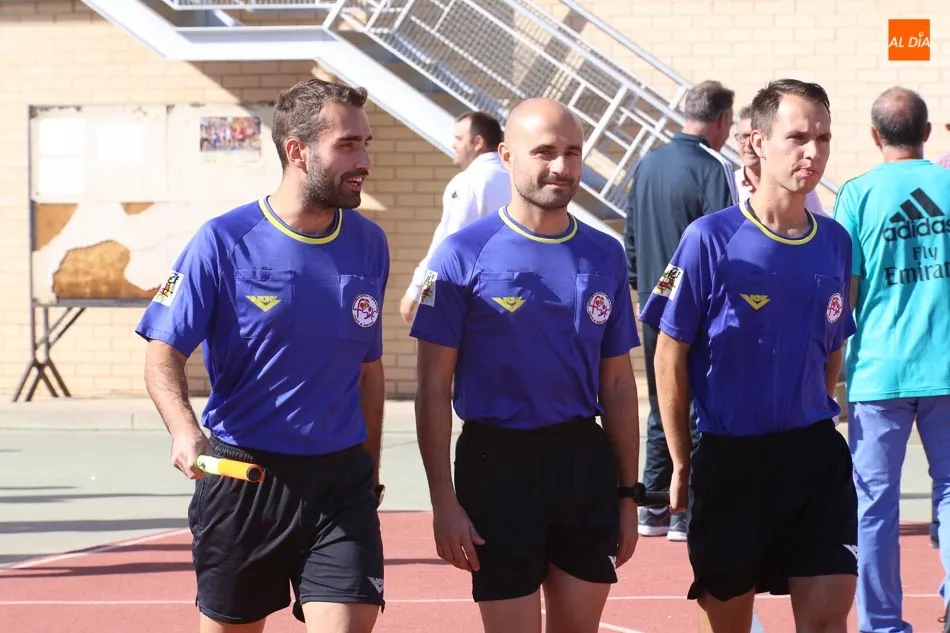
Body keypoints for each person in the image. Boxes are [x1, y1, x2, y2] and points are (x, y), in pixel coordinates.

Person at [135, 78, 389, 633]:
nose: (364, 161)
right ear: (298, 151)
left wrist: (369, 473)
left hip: (342, 486)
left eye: (366, 144)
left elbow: (369, 371)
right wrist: (184, 428)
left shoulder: (371, 243)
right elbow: (162, 352)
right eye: (348, 145)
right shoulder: (222, 240)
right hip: (244, 480)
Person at [410, 97, 642, 633]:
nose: (561, 166)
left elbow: (617, 384)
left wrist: (628, 497)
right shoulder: (460, 254)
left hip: (583, 462)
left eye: (573, 152)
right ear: (507, 156)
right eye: (545, 152)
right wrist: (443, 501)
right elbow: (432, 387)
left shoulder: (605, 254)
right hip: (496, 466)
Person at [640, 78, 858, 632]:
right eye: (798, 137)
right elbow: (668, 355)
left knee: (827, 621)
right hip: (731, 463)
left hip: (814, 460)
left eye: (823, 138)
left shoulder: (835, 242)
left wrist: (814, 409)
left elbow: (832, 345)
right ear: (758, 143)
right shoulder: (708, 239)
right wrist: (682, 460)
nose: (813, 152)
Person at [832, 86, 950, 633]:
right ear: (926, 132)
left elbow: (846, 291)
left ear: (875, 135)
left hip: (879, 371)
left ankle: (882, 624)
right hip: (945, 366)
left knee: (874, 504)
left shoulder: (857, 194)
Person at [624, 79, 737, 542]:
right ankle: (683, 511)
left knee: (661, 401)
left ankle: (653, 503)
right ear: (722, 120)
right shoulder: (713, 166)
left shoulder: (647, 163)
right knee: (696, 404)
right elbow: (728, 239)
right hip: (700, 305)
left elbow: (631, 233)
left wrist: (639, 286)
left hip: (657, 301)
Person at [400, 111, 511, 324]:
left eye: (459, 138)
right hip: (512, 297)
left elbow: (447, 246)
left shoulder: (468, 182)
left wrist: (420, 293)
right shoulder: (516, 180)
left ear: (478, 142)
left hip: (469, 298)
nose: (453, 144)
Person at [733, 104, 827, 215]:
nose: (749, 144)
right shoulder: (729, 184)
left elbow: (816, 219)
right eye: (744, 137)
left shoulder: (796, 181)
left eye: (754, 137)